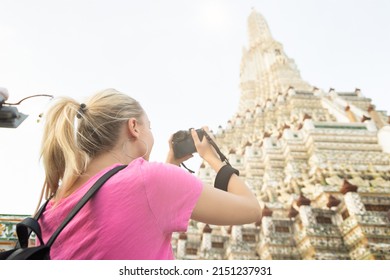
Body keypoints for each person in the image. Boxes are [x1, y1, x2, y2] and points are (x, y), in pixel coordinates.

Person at [37, 88, 261, 260]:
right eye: (150, 126)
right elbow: (251, 209)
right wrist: (213, 157)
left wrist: (170, 165)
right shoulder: (149, 181)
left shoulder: (51, 206)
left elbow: (135, 216)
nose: (151, 134)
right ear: (133, 127)